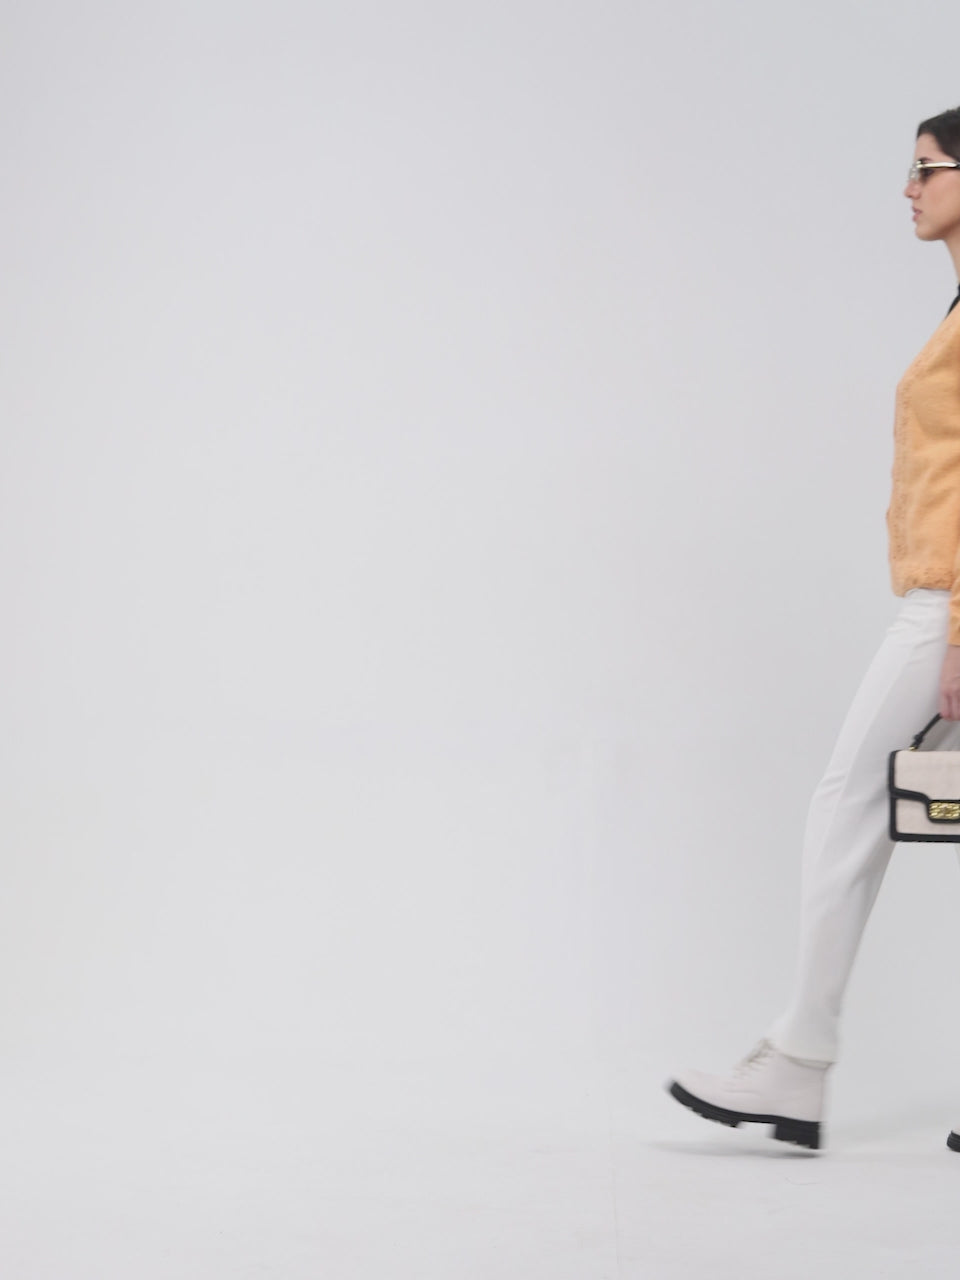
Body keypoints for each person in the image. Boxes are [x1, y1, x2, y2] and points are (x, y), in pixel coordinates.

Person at [666, 105, 960, 1153]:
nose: (907, 188)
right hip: (941, 598)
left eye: (926, 168)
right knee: (866, 805)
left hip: (949, 602)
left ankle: (800, 1055)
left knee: (848, 803)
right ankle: (800, 1054)